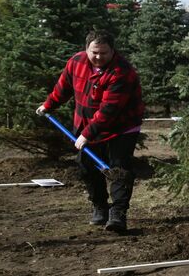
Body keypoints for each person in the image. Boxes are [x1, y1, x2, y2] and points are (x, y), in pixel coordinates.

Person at [36, 30, 144, 233]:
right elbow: (63, 87)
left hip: (121, 126)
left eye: (104, 53)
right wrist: (49, 105)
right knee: (86, 164)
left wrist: (86, 134)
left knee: (119, 168)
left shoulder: (122, 72)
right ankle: (99, 206)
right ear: (86, 49)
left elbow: (109, 111)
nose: (98, 57)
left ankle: (118, 213)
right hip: (88, 122)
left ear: (113, 51)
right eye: (94, 52)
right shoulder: (76, 62)